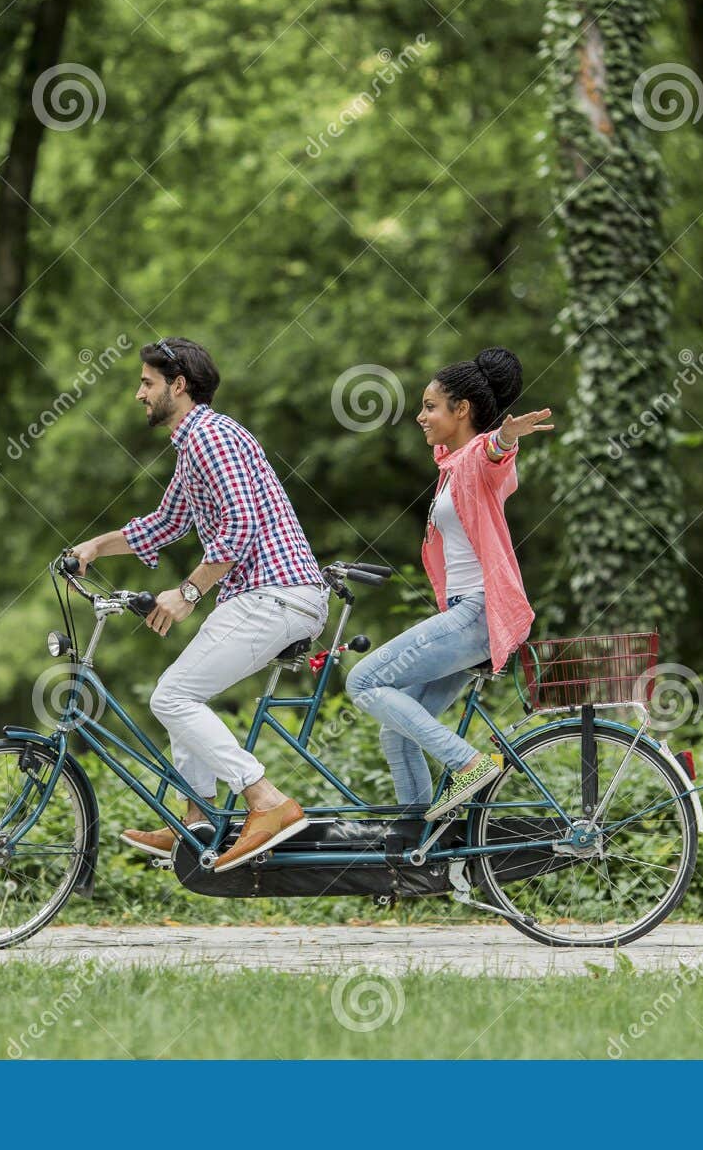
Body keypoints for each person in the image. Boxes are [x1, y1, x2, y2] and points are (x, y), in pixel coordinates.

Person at [69, 337, 330, 872]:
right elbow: (166, 523)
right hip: (262, 595)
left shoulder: (209, 436)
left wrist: (187, 593)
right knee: (181, 692)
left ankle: (267, 800)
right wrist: (96, 546)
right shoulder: (194, 444)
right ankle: (197, 820)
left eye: (147, 383)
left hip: (277, 592)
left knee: (172, 697)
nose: (138, 394)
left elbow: (239, 525)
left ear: (178, 385)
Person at [345, 347, 553, 821]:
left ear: (462, 411)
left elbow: (493, 451)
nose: (420, 416)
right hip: (464, 614)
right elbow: (465, 454)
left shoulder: (478, 458)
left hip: (475, 613)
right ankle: (416, 844)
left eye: (431, 406)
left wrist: (503, 437)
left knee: (363, 680)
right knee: (395, 733)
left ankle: (470, 764)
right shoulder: (454, 466)